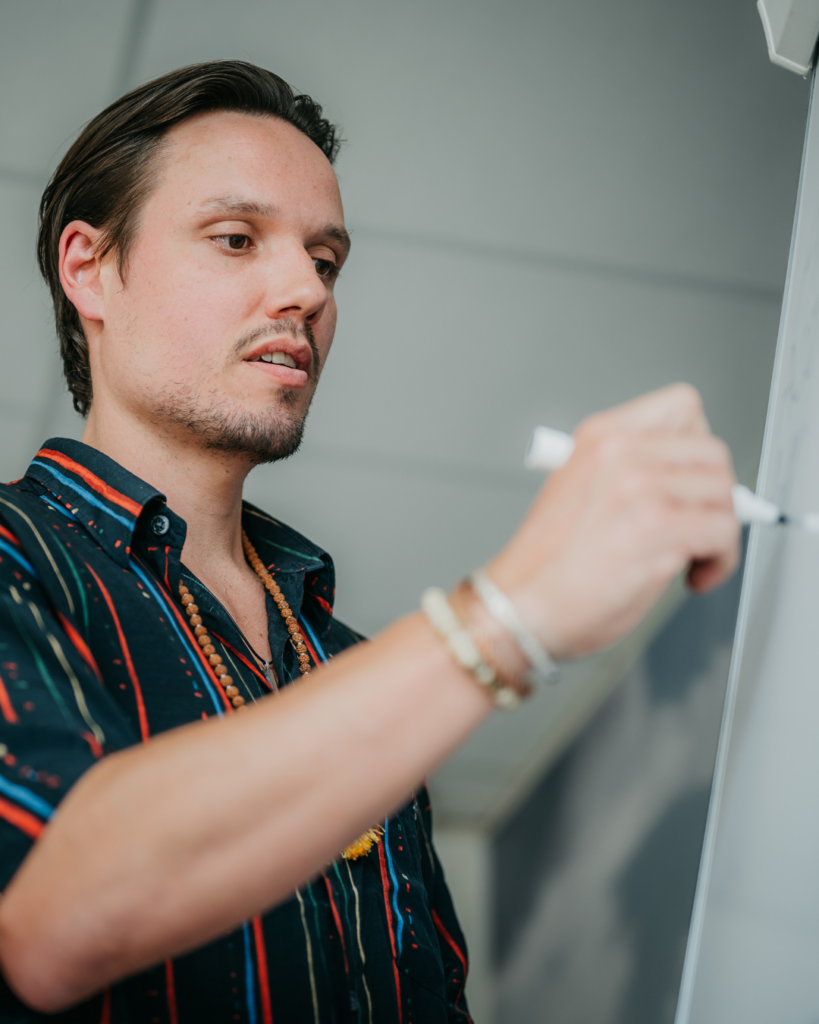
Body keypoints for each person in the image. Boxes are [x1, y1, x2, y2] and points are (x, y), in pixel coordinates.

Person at [0, 61, 738, 1023]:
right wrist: (506, 616)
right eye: (236, 238)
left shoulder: (345, 662)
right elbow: (49, 918)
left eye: (326, 260)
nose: (304, 289)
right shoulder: (17, 554)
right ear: (89, 268)